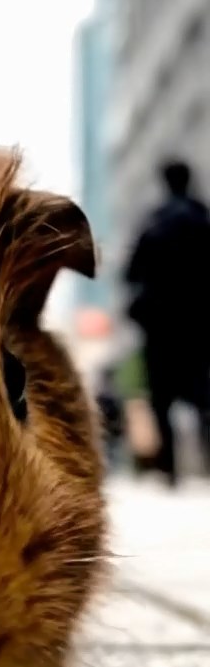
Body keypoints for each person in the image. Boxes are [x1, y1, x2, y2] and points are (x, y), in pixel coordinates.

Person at [124, 157, 210, 486]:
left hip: (160, 324)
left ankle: (170, 470)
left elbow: (131, 273)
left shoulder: (154, 224)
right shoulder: (203, 220)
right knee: (203, 395)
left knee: (162, 398)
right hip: (200, 322)